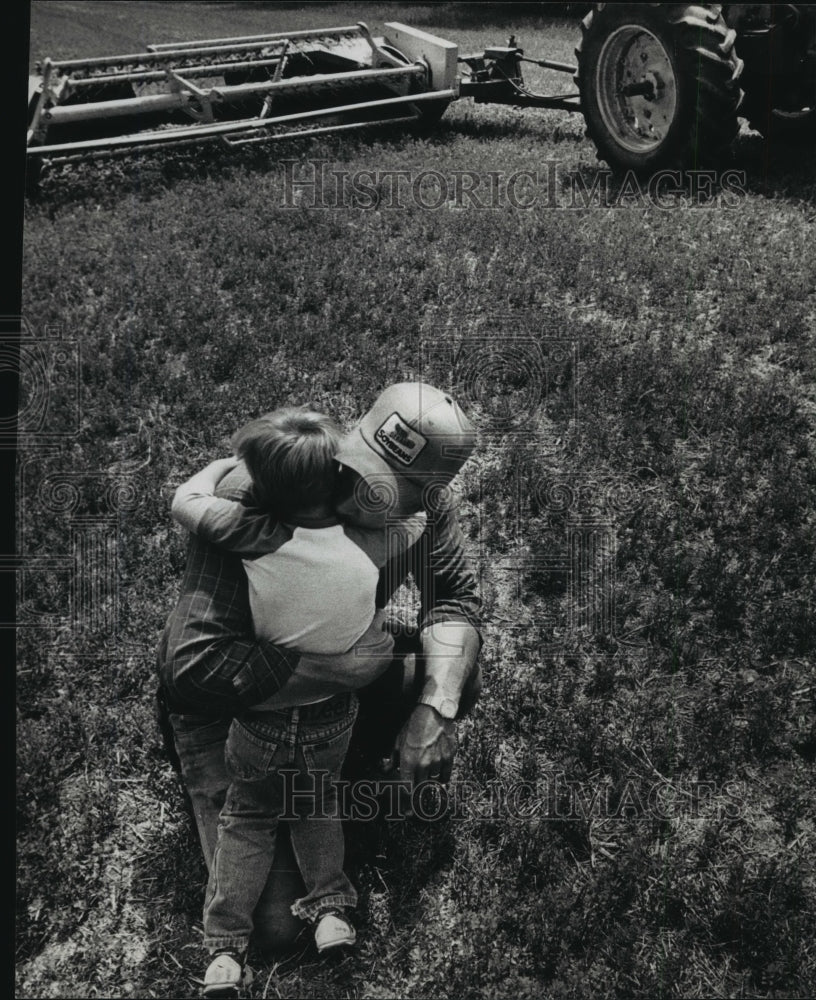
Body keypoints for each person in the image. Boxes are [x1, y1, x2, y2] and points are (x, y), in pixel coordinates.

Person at [156, 383, 483, 982]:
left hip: (332, 686)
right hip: (231, 707)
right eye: (358, 466)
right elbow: (192, 670)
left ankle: (335, 769)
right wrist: (343, 668)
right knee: (276, 927)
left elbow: (454, 602)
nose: (360, 489)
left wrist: (433, 709)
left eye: (389, 489)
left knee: (454, 671)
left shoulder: (428, 512)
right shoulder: (260, 495)